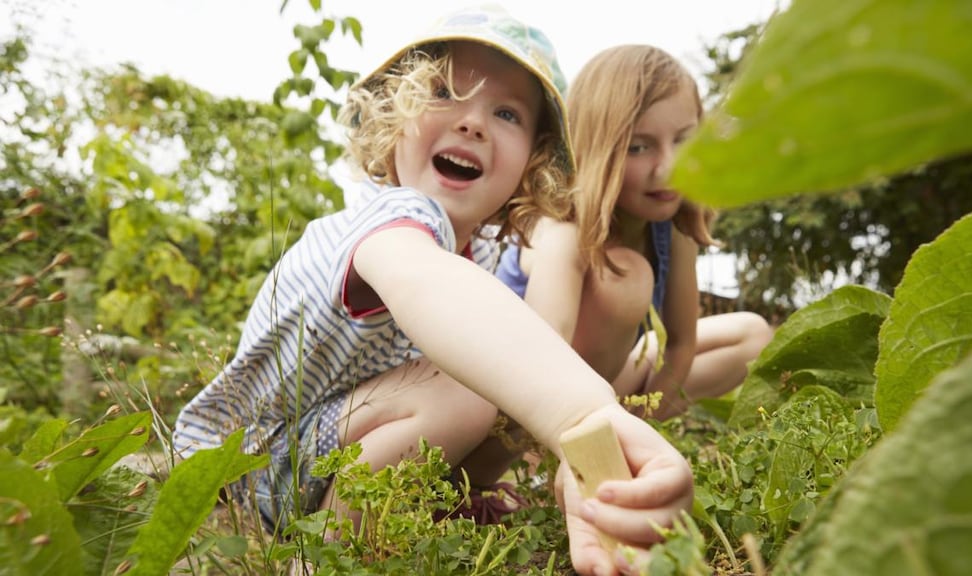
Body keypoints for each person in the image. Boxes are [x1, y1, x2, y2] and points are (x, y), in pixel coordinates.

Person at [171, 9, 692, 575]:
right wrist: (583, 415)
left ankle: (430, 508)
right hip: (252, 467)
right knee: (479, 383)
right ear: (391, 120)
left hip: (326, 450)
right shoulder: (395, 217)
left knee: (499, 373)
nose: (472, 122)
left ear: (531, 165)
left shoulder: (483, 254)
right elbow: (420, 278)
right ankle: (321, 560)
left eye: (506, 113)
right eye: (444, 92)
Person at [495, 44, 774, 422]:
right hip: (513, 399)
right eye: (639, 147)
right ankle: (564, 443)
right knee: (625, 276)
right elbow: (544, 362)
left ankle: (619, 428)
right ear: (597, 152)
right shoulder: (560, 233)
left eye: (682, 140)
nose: (668, 167)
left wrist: (646, 419)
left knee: (753, 334)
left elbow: (681, 344)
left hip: (600, 384)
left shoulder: (672, 226)